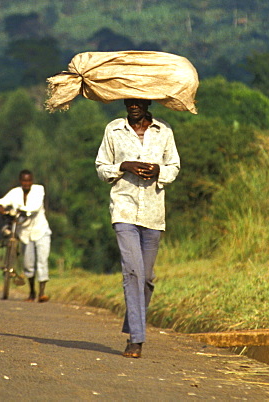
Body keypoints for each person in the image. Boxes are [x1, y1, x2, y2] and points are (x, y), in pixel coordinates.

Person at [95, 98, 180, 359]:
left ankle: (133, 323)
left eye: (138, 101)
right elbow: (101, 167)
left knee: (146, 278)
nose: (133, 105)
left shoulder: (163, 131)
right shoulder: (114, 129)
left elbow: (174, 166)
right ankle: (136, 340)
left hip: (154, 214)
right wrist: (124, 166)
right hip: (124, 210)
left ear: (148, 102)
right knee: (132, 271)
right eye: (129, 101)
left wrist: (157, 171)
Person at [0, 169, 52, 302]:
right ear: (20, 181)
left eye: (29, 180)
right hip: (25, 234)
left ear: (32, 181)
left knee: (42, 261)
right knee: (28, 263)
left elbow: (34, 207)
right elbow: (1, 202)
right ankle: (32, 292)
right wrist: (1, 207)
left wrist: (19, 211)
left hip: (40, 231)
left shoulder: (39, 190)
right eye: (24, 181)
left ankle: (42, 293)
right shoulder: (15, 192)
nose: (26, 183)